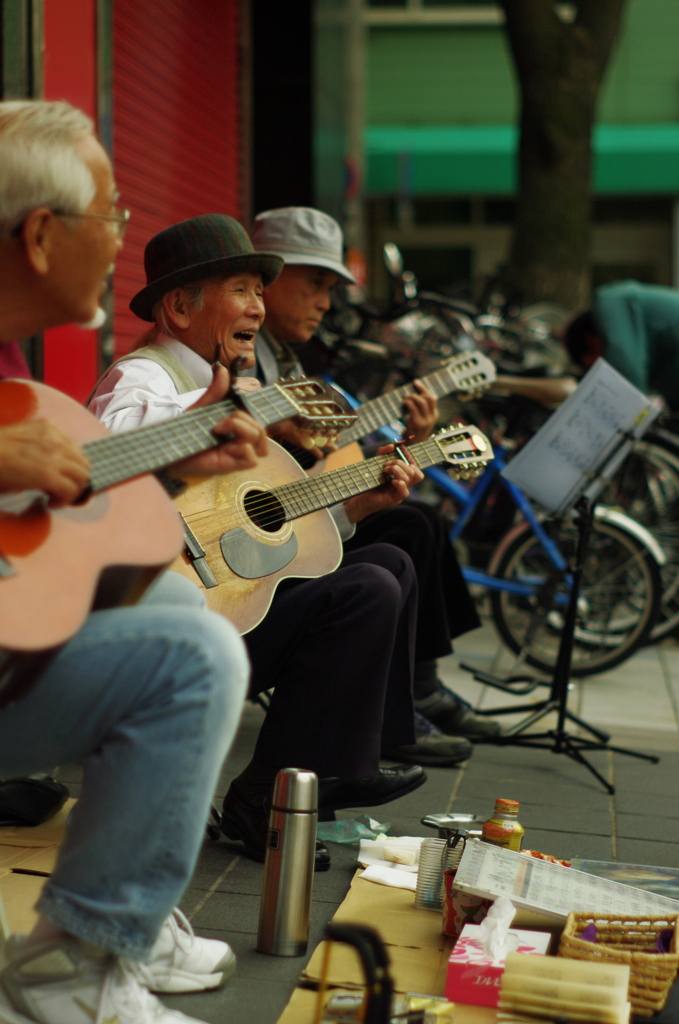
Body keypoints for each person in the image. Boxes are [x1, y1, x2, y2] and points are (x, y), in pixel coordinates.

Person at [0, 101, 283, 1024]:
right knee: (194, 658)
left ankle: (100, 928)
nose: (123, 237)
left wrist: (170, 463)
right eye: (113, 214)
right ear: (42, 234)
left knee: (162, 596)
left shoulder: (13, 373)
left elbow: (44, 516)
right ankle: (74, 966)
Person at [89, 212, 434, 865]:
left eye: (258, 291)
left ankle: (317, 771)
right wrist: (226, 418)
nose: (257, 306)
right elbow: (114, 455)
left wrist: (357, 505)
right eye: (242, 290)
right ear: (179, 306)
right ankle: (271, 796)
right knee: (365, 587)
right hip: (154, 629)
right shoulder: (144, 382)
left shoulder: (234, 390)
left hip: (221, 607)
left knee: (386, 557)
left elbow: (261, 538)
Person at [248, 207, 502, 752]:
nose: (326, 301)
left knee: (414, 520)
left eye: (332, 287)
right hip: (250, 547)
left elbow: (321, 456)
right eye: (315, 282)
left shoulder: (288, 363)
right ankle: (407, 703)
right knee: (408, 531)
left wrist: (407, 449)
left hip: (284, 520)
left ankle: (415, 692)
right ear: (268, 279)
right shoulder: (236, 364)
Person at [564, 280, 679, 411]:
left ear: (590, 340)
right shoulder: (641, 341)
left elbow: (627, 374)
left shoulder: (611, 301)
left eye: (593, 365)